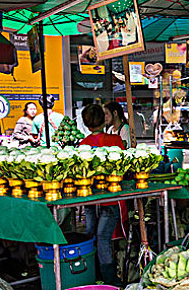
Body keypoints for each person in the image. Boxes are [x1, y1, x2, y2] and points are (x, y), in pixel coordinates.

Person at [79, 104, 124, 285]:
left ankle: (90, 276)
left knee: (90, 235)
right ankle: (110, 282)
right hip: (109, 198)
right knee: (104, 238)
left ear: (86, 124)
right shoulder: (115, 141)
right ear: (103, 120)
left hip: (90, 197)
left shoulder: (83, 145)